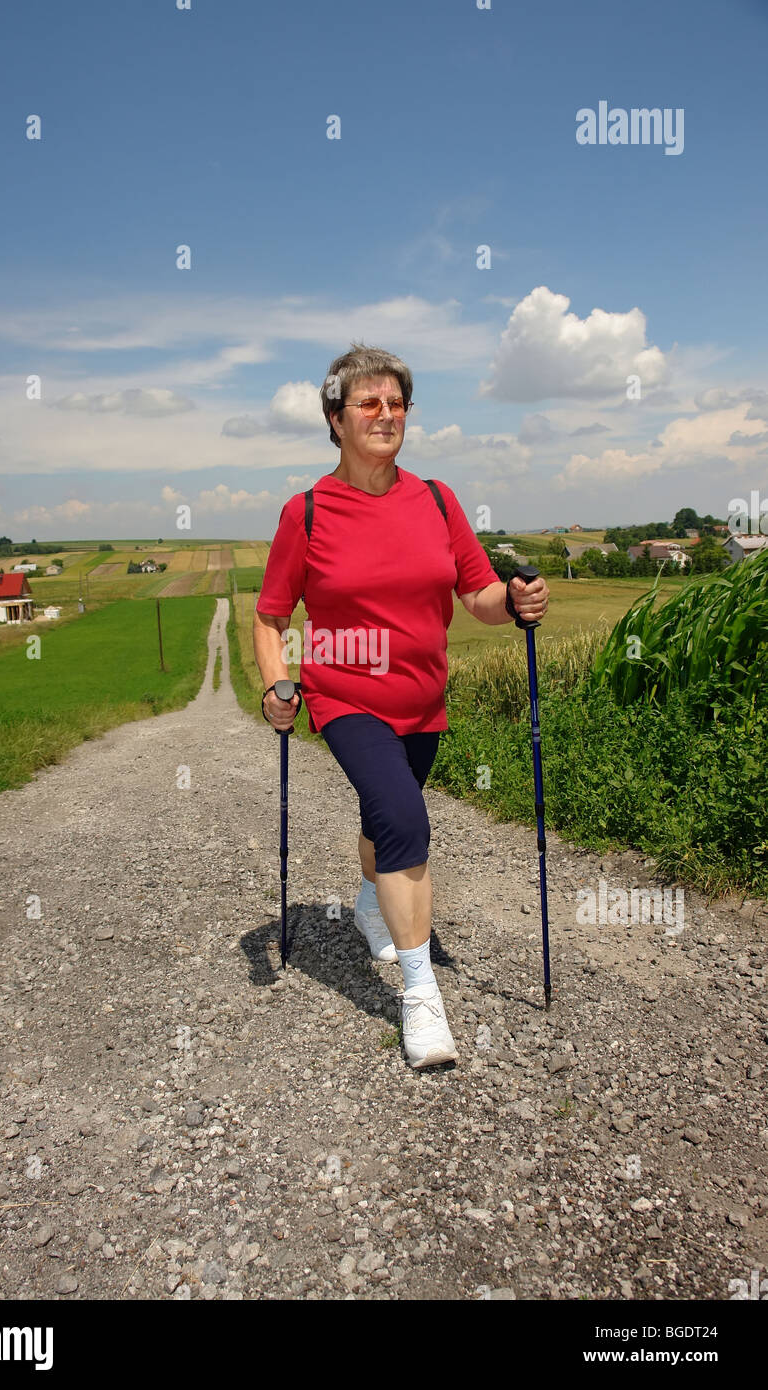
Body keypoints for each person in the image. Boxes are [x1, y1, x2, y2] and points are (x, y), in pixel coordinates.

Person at [253, 343, 549, 1069]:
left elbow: (475, 594)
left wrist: (511, 604)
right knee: (405, 821)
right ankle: (420, 1001)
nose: (387, 416)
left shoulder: (439, 500)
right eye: (369, 403)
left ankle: (366, 899)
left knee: (385, 817)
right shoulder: (309, 512)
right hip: (344, 693)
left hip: (424, 698)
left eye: (397, 404)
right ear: (336, 417)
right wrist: (275, 685)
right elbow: (270, 616)